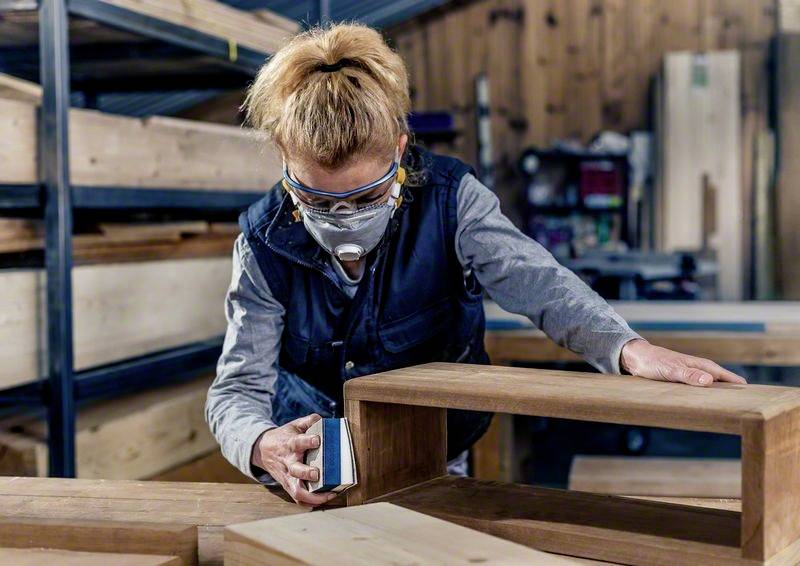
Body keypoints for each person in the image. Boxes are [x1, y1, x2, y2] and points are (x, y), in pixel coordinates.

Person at [205, 23, 746, 508]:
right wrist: (261, 444)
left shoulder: (452, 201)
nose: (343, 221)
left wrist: (626, 347)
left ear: (398, 149)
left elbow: (541, 283)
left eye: (366, 198)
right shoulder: (263, 240)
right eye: (319, 203)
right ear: (284, 160)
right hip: (313, 466)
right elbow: (235, 392)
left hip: (435, 450)